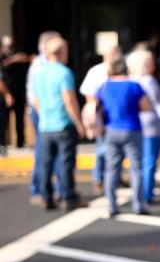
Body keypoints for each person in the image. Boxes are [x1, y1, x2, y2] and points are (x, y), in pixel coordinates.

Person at [31, 35, 86, 210]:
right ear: (62, 52)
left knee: (45, 163)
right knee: (65, 162)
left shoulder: (39, 72)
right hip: (63, 124)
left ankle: (46, 196)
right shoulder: (64, 72)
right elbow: (69, 100)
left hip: (45, 125)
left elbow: (35, 99)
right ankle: (68, 196)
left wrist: (44, 115)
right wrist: (78, 122)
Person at [97, 56, 152, 216]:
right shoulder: (134, 86)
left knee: (112, 169)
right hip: (132, 129)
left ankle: (112, 205)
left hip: (111, 130)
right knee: (136, 168)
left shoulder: (104, 87)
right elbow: (146, 106)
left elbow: (98, 108)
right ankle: (138, 205)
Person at [80, 44, 123, 193]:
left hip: (118, 116)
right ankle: (98, 177)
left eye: (116, 53)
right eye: (112, 53)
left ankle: (116, 175)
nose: (114, 56)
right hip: (102, 115)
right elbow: (88, 93)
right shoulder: (97, 71)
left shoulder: (122, 70)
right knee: (102, 148)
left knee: (118, 149)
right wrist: (95, 112)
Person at [127, 49, 160, 205]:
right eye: (150, 61)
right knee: (150, 160)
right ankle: (148, 193)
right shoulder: (149, 81)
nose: (153, 64)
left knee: (138, 161)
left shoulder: (131, 79)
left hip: (136, 123)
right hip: (151, 123)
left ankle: (139, 192)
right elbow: (158, 104)